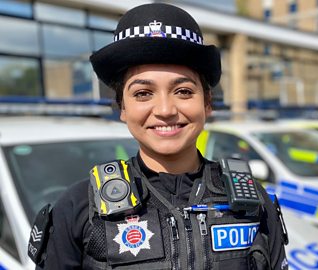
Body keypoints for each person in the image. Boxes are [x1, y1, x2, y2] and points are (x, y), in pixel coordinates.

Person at [27, 3, 288, 270]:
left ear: (207, 103)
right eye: (143, 93)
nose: (165, 110)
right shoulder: (79, 208)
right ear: (122, 108)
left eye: (184, 91)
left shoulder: (253, 200)